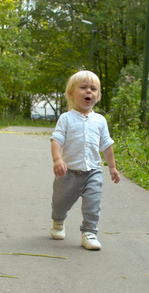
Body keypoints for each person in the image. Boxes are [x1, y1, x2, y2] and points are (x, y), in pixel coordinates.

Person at [50, 70, 120, 250]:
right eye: (83, 87)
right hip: (68, 173)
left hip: (93, 172)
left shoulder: (100, 120)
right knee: (60, 202)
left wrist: (112, 167)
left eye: (93, 89)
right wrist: (58, 159)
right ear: (71, 94)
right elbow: (56, 139)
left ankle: (89, 233)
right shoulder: (65, 119)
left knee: (93, 204)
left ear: (98, 96)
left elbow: (106, 144)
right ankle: (58, 220)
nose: (89, 91)